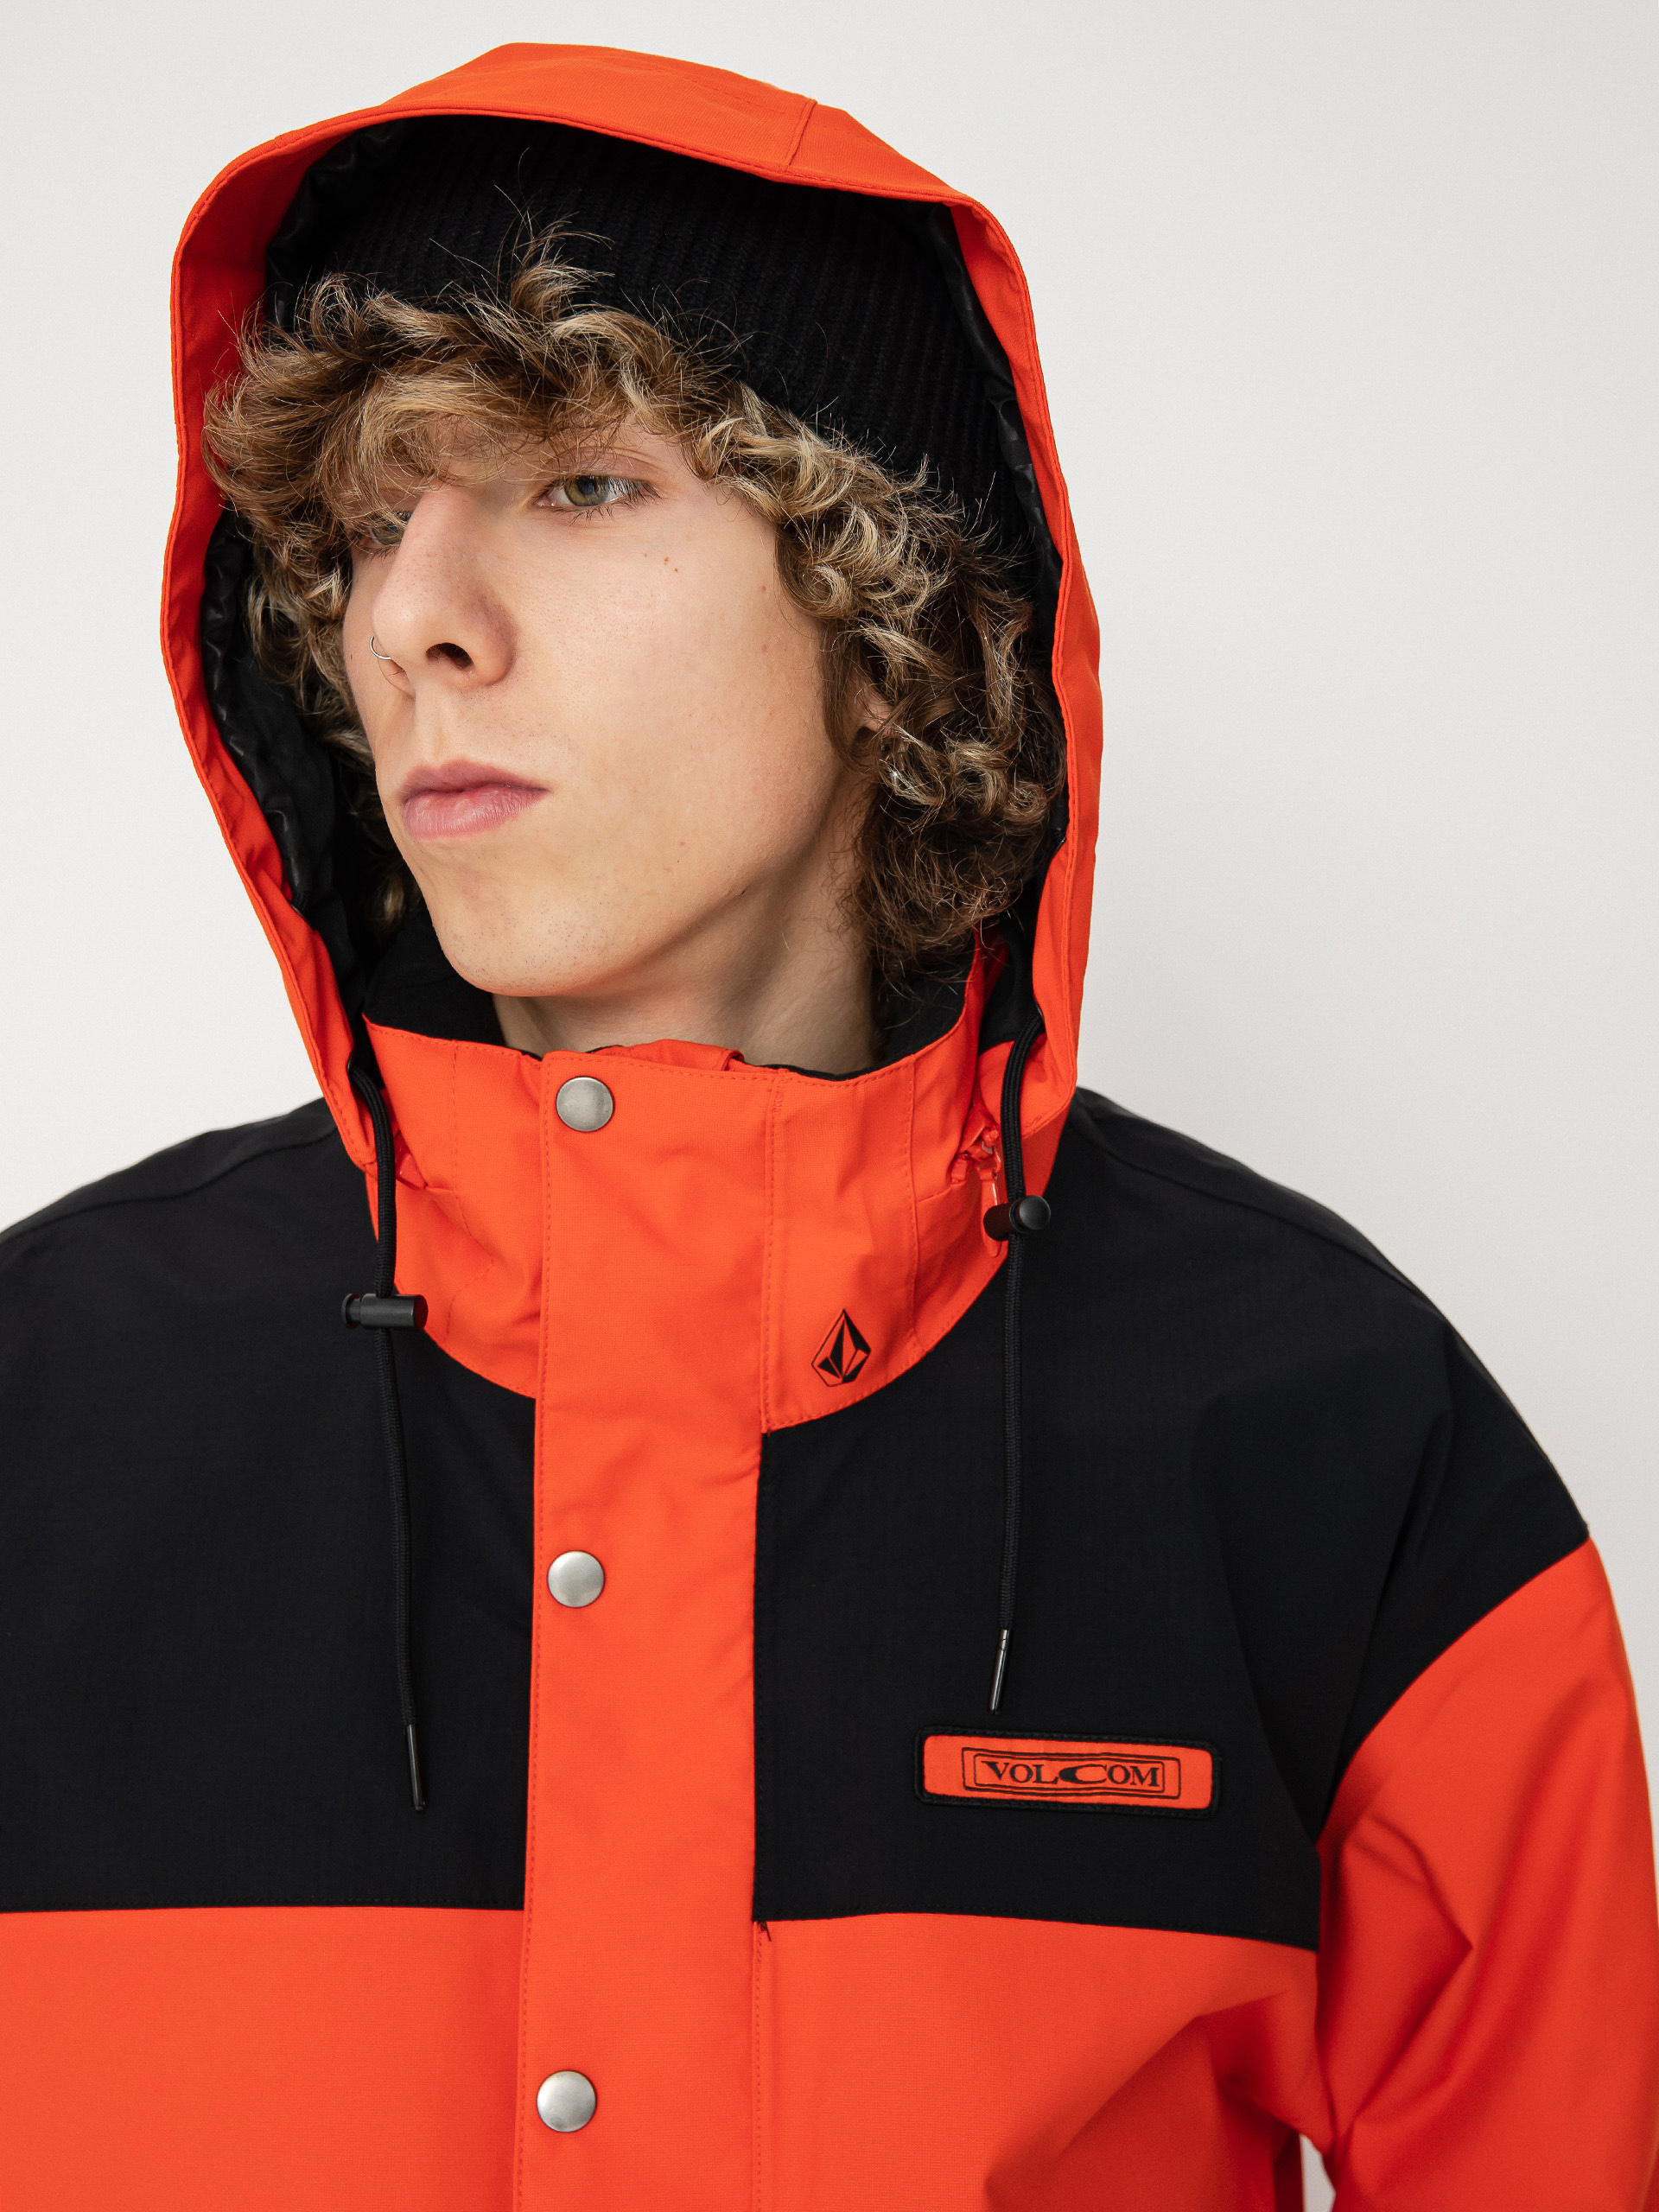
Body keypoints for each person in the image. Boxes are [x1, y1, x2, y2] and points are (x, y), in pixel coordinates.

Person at [0, 43, 1654, 2212]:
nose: (412, 619)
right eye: (370, 528)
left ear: (887, 605)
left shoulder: (1333, 1436)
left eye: (579, 485)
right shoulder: (44, 1403)